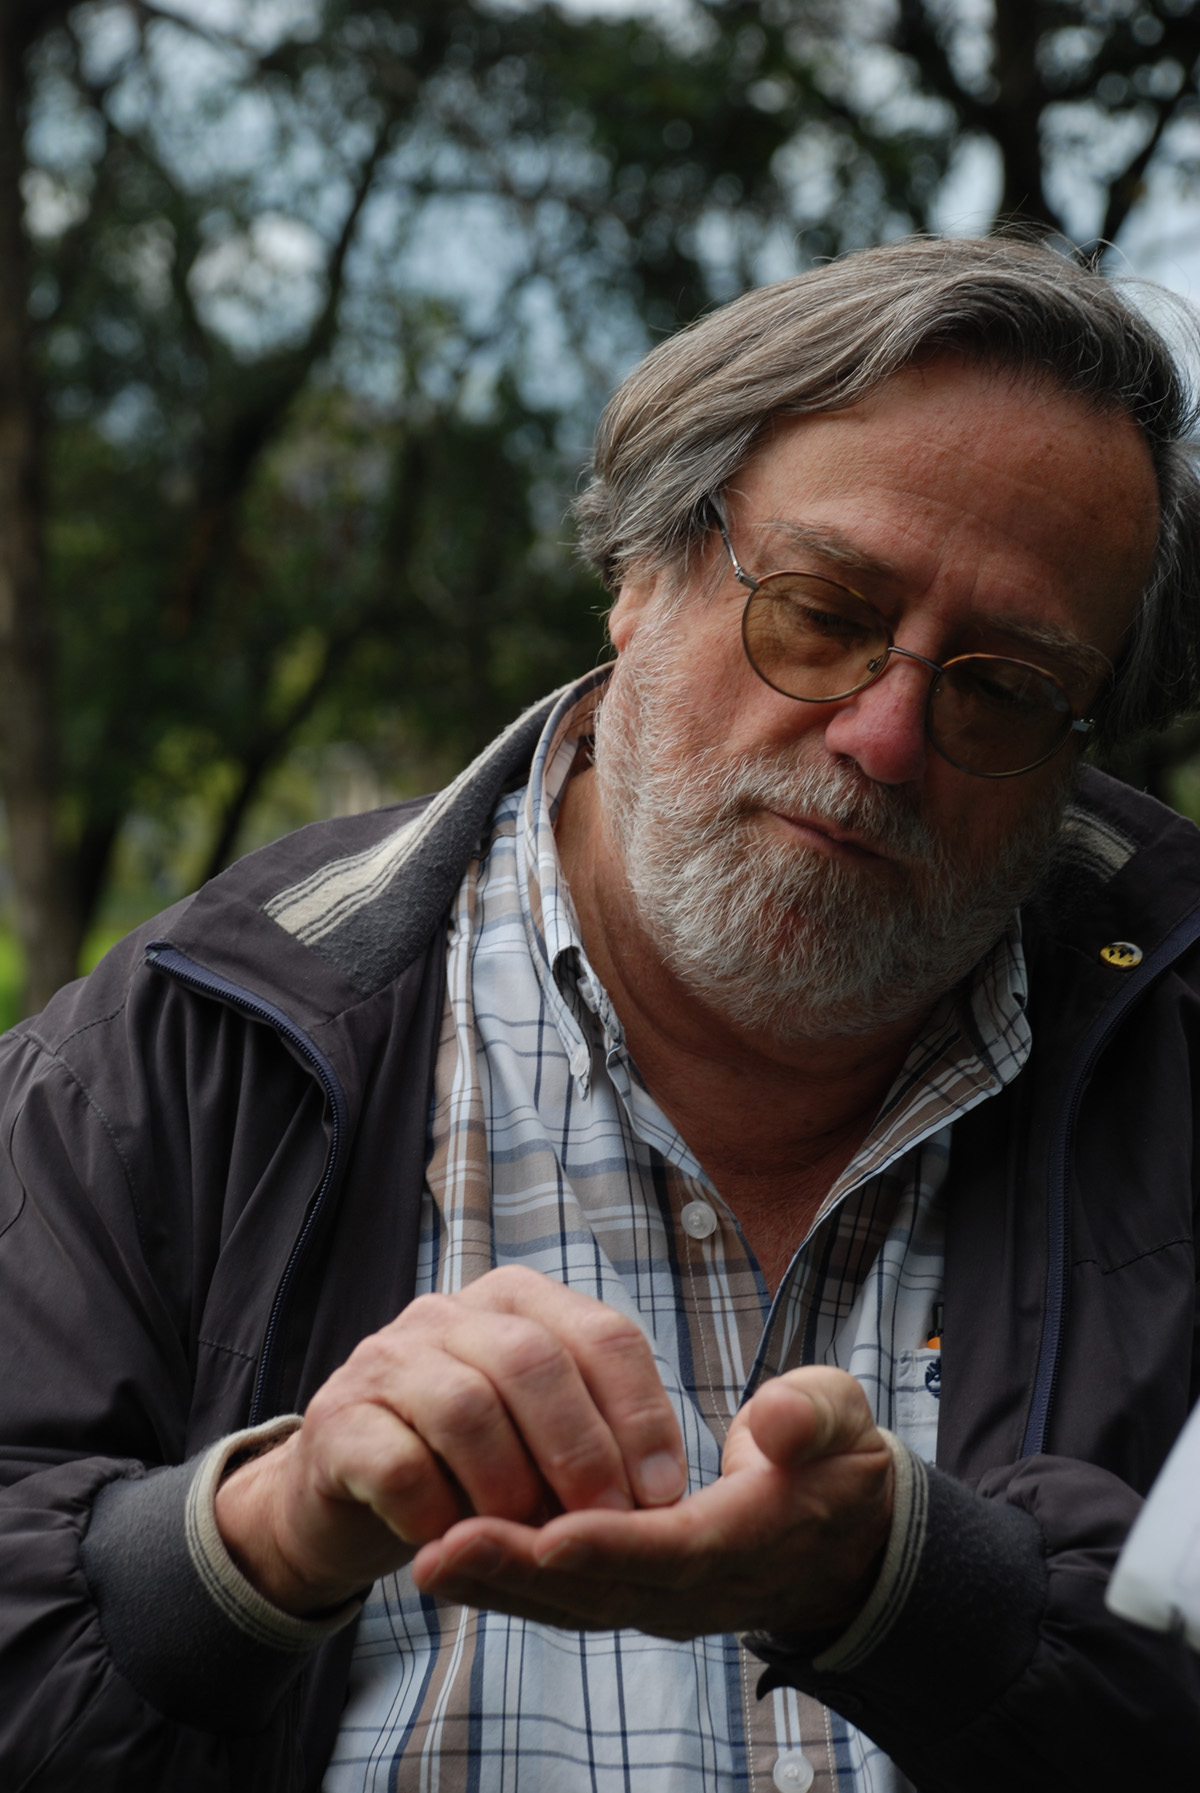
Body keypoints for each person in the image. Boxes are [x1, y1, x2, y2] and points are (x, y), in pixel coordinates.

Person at [3, 235, 1200, 1793]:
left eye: (1006, 686)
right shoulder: (177, 1055)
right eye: (825, 610)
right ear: (645, 571)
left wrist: (928, 1588)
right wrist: (251, 1537)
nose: (886, 736)